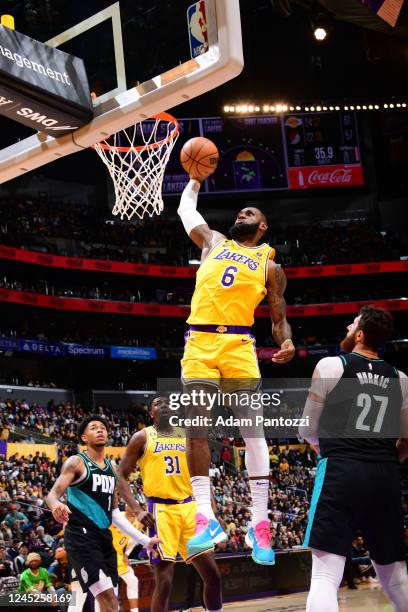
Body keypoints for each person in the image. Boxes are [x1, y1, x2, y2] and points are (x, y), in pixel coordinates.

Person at [177, 176, 295, 565]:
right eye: (239, 210)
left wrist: (286, 343)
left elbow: (278, 317)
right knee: (196, 428)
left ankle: (259, 524)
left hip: (240, 347)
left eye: (251, 212)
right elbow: (185, 210)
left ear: (263, 226)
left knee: (254, 435)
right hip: (200, 344)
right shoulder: (213, 242)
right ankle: (205, 516)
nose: (241, 213)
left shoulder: (270, 265)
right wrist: (194, 180)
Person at [300, 305, 408, 612]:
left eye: (353, 324)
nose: (348, 327)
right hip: (386, 476)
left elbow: (307, 429)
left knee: (324, 575)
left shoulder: (331, 365)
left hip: (342, 468)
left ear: (360, 335)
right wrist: (386, 461)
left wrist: (335, 451)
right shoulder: (400, 378)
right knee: (395, 575)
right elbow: (407, 441)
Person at [117, 396, 222, 612]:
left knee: (212, 574)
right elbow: (120, 476)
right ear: (151, 413)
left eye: (167, 403)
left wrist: (210, 508)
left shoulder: (187, 436)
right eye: (158, 404)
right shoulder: (142, 437)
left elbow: (201, 473)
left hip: (191, 508)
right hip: (161, 511)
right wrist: (137, 510)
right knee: (164, 580)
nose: (163, 406)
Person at [45, 415, 160, 612]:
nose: (100, 430)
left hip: (104, 538)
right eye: (94, 428)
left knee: (111, 600)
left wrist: (145, 541)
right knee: (106, 596)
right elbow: (52, 495)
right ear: (84, 437)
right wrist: (56, 505)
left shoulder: (112, 467)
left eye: (103, 428)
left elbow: (115, 513)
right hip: (81, 536)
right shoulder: (76, 462)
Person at [110, 505, 141, 612]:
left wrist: (126, 554)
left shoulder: (138, 522)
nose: (132, 509)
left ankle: (134, 610)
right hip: (108, 552)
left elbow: (134, 541)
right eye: (130, 506)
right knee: (110, 585)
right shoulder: (118, 517)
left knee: (132, 580)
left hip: (118, 554)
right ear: (127, 508)